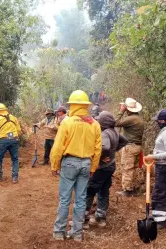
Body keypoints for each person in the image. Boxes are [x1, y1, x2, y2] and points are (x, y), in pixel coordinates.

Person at [51, 90, 102, 242]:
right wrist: (93, 168)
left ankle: (59, 232)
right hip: (86, 163)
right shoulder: (94, 124)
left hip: (70, 163)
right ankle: (77, 233)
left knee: (65, 199)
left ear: (72, 105)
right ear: (86, 106)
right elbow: (97, 149)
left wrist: (54, 165)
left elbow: (58, 146)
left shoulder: (67, 122)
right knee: (80, 200)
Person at [84, 111, 128, 228]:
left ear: (103, 122)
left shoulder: (104, 133)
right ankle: (100, 218)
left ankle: (84, 219)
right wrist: (113, 152)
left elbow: (105, 147)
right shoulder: (114, 131)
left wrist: (102, 156)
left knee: (89, 191)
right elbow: (124, 141)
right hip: (111, 166)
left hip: (101, 168)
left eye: (99, 120)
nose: (97, 122)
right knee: (103, 191)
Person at [115, 97, 144, 197]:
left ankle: (127, 190)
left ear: (127, 109)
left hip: (130, 147)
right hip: (137, 146)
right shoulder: (139, 118)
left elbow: (116, 122)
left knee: (127, 168)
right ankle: (132, 188)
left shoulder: (131, 119)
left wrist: (121, 111)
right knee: (133, 168)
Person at [0, 103, 22, 184]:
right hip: (14, 139)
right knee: (15, 159)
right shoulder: (13, 117)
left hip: (3, 141)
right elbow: (19, 130)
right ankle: (15, 177)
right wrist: (15, 137)